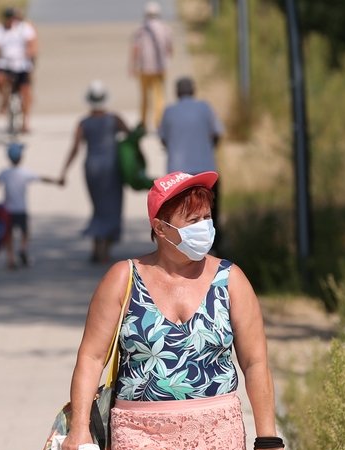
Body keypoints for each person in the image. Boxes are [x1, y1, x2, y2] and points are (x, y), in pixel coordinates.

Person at [61, 171, 289, 450]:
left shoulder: (230, 280)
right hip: (140, 434)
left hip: (216, 433)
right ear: (161, 228)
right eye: (193, 219)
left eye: (207, 217)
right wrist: (78, 430)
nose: (205, 227)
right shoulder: (123, 278)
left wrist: (268, 439)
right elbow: (90, 357)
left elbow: (255, 362)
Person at [60, 80, 129, 264]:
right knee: (112, 207)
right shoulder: (114, 119)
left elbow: (75, 148)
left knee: (98, 208)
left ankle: (96, 248)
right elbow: (130, 136)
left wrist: (64, 171)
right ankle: (104, 250)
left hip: (91, 168)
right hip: (111, 168)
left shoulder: (83, 123)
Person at [159, 76, 225, 253]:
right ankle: (213, 249)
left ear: (177, 92)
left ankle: (180, 249)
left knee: (181, 216)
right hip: (205, 169)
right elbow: (217, 133)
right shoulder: (205, 107)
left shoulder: (169, 111)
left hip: (178, 175)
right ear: (193, 90)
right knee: (210, 213)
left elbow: (163, 139)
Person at [0, 143, 62, 269]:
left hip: (7, 210)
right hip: (21, 210)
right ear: (21, 157)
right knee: (25, 233)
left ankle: (10, 260)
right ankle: (22, 248)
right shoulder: (24, 173)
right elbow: (42, 178)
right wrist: (56, 181)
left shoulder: (4, 173)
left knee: (8, 235)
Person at [0, 7, 38, 133]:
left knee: (25, 91)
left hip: (21, 63)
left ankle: (25, 121)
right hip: (5, 62)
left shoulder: (24, 28)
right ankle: (4, 100)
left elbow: (33, 44)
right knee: (0, 79)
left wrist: (29, 53)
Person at [130, 1, 173, 130]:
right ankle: (158, 122)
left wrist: (133, 66)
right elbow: (170, 49)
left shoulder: (140, 30)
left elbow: (136, 49)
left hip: (144, 69)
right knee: (159, 96)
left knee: (144, 98)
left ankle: (143, 123)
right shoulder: (165, 29)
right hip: (160, 68)